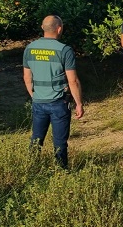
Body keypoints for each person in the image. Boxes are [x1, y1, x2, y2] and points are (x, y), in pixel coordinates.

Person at [23, 15, 84, 170]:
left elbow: (27, 77)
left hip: (38, 102)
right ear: (59, 29)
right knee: (59, 143)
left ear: (43, 28)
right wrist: (79, 103)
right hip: (59, 103)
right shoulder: (65, 50)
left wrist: (35, 96)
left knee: (36, 140)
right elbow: (73, 81)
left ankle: (30, 168)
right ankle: (61, 172)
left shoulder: (29, 48)